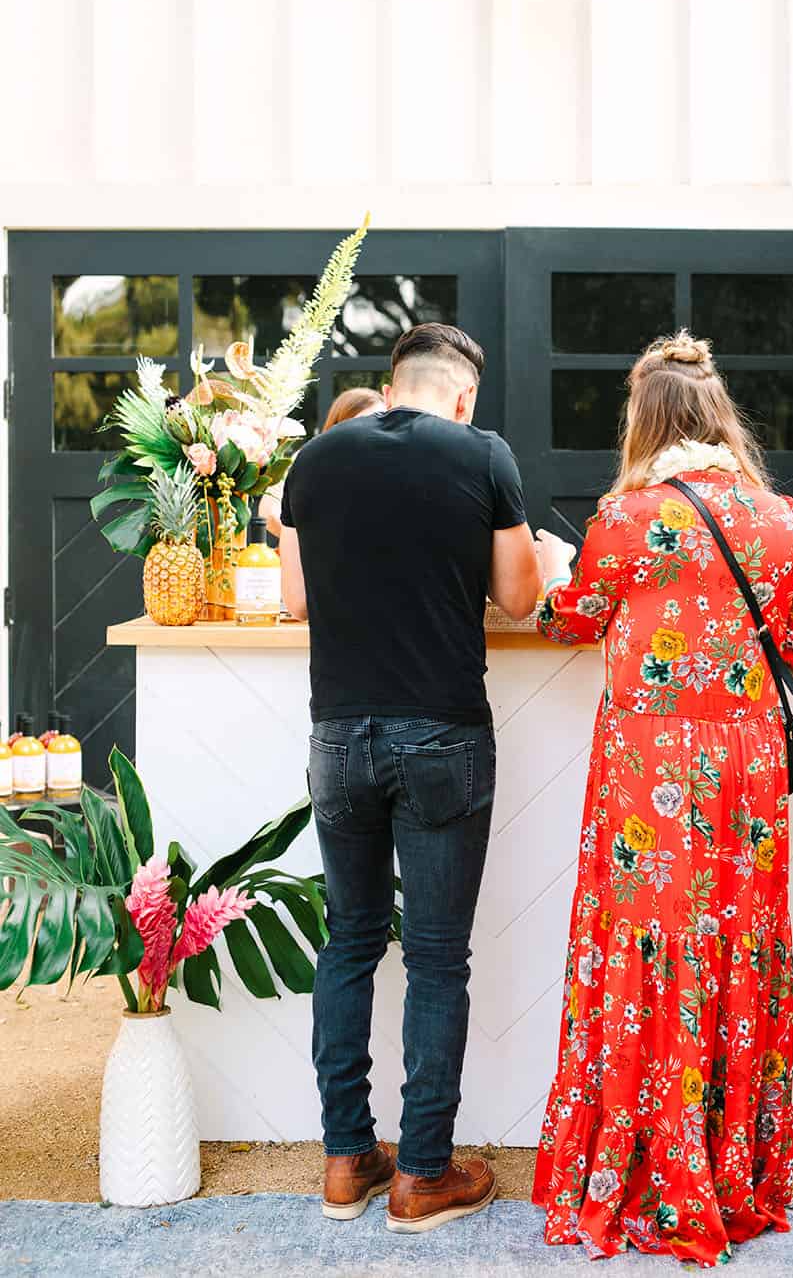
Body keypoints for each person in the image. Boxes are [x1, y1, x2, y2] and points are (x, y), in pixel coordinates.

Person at [532, 331, 793, 1265]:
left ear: (644, 421)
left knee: (647, 940)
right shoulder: (778, 519)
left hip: (646, 767)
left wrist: (544, 575)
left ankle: (642, 1159)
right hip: (742, 770)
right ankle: (730, 1166)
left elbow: (571, 618)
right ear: (717, 414)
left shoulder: (626, 518)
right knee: (731, 940)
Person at [279, 323, 540, 1234]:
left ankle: (347, 1159)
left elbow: (298, 601)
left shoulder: (315, 460)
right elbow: (521, 597)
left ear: (391, 385)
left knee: (350, 939)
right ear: (462, 395)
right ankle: (423, 1174)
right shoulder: (482, 454)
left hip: (337, 735)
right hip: (440, 734)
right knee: (435, 957)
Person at [260, 387, 383, 538]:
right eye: (362, 423)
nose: (372, 429)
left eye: (380, 421)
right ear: (339, 424)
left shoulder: (389, 463)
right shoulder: (310, 459)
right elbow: (269, 512)